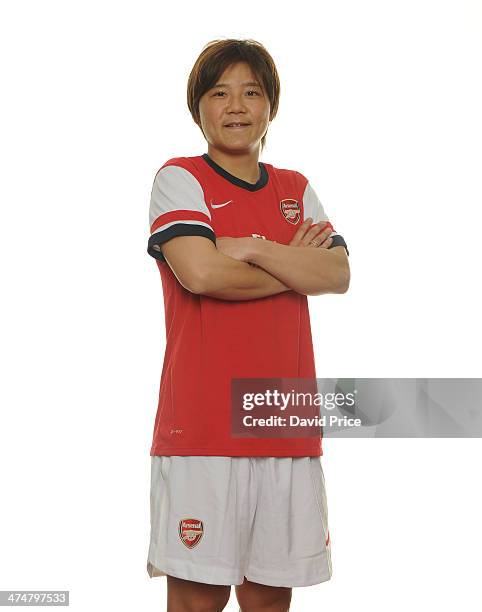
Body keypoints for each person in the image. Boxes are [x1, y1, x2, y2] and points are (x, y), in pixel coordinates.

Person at [146, 38, 350, 612]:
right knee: (197, 602)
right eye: (220, 93)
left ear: (271, 107)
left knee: (269, 601)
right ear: (199, 108)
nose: (236, 106)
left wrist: (250, 248)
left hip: (284, 422)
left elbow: (337, 273)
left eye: (251, 92)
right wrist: (292, 262)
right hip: (202, 430)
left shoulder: (295, 188)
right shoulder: (179, 178)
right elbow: (203, 274)